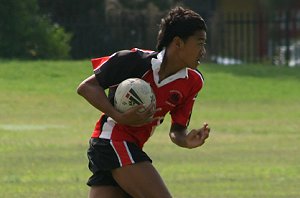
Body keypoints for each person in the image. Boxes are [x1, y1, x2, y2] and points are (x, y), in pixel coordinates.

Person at [77, 6, 211, 198]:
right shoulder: (134, 61)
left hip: (127, 148)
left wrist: (185, 140)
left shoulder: (193, 82)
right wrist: (119, 116)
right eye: (199, 43)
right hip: (111, 141)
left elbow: (177, 129)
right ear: (178, 43)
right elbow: (86, 88)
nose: (203, 51)